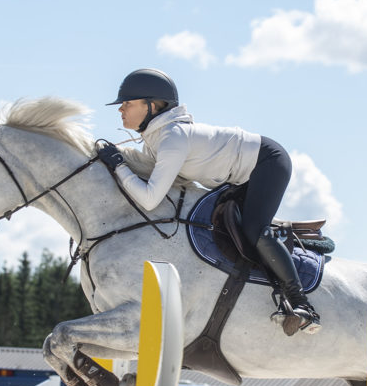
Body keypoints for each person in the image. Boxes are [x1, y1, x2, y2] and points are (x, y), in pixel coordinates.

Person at [97, 68, 320, 335]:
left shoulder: (172, 138)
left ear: (152, 105)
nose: (121, 109)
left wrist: (119, 166)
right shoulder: (157, 140)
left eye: (128, 103)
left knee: (253, 230)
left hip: (267, 162)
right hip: (239, 176)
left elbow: (149, 199)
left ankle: (302, 305)